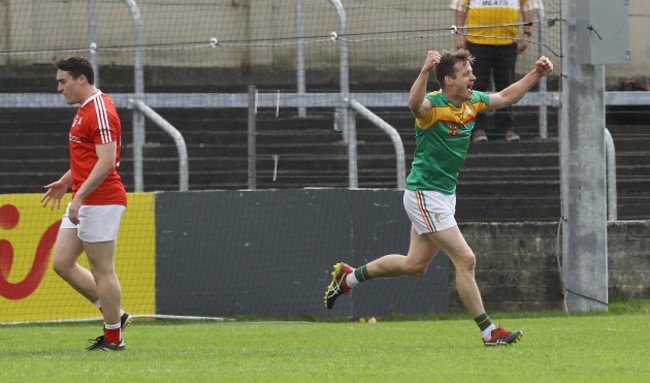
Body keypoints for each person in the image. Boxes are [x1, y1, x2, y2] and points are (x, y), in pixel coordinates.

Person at [324, 49, 553, 346]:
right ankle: (489, 332)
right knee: (466, 259)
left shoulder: (471, 103)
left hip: (444, 195)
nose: (472, 77)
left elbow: (506, 97)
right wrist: (423, 71)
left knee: (414, 265)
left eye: (472, 72)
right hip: (424, 194)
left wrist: (536, 72)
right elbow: (414, 104)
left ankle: (348, 278)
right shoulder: (433, 104)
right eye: (466, 73)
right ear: (448, 80)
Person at [41, 57, 131, 351]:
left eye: (63, 81)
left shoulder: (101, 110)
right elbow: (89, 158)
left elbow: (107, 162)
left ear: (82, 80)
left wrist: (78, 197)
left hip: (102, 200)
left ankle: (113, 338)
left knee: (101, 268)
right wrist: (67, 182)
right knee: (62, 263)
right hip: (83, 196)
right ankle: (114, 314)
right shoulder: (85, 110)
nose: (59, 88)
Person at [451, 0, 536, 142]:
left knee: (507, 86)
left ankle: (506, 128)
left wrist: (527, 34)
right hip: (477, 42)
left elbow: (527, 6)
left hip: (507, 43)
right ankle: (478, 128)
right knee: (476, 87)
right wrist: (460, 34)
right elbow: (460, 6)